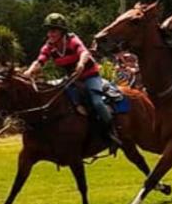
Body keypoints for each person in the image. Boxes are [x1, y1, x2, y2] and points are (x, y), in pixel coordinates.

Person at [24, 13, 119, 154]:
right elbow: (40, 61)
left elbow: (84, 52)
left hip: (90, 76)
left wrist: (81, 64)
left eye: (54, 30)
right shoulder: (49, 46)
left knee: (98, 103)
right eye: (49, 30)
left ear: (62, 31)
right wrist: (29, 72)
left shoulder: (72, 40)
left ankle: (113, 134)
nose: (50, 33)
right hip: (72, 79)